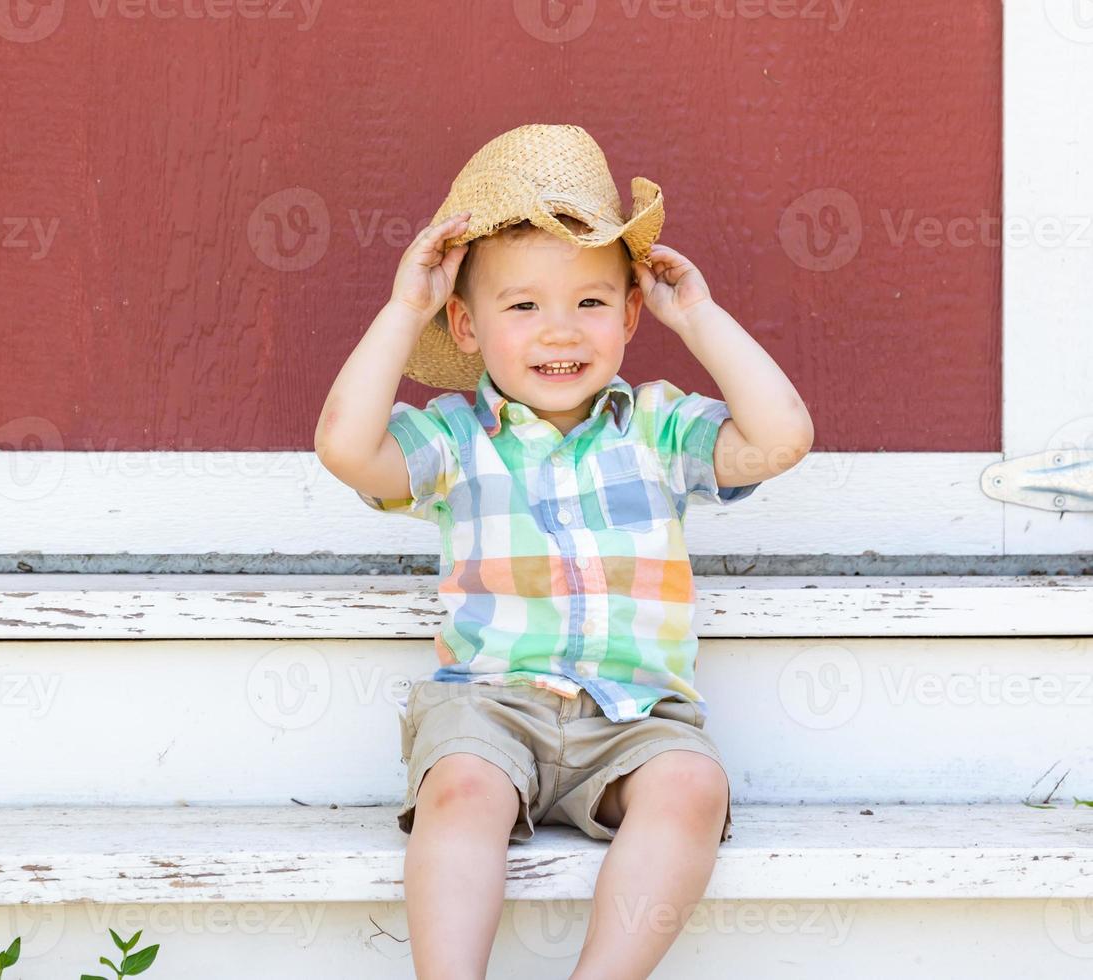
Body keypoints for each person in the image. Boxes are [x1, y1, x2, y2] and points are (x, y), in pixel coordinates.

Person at [314, 123, 814, 980]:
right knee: (460, 790)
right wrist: (405, 312)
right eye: (523, 306)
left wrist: (699, 317)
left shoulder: (657, 426)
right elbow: (346, 449)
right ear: (466, 328)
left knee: (692, 788)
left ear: (627, 315)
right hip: (491, 705)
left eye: (589, 303)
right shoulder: (456, 437)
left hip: (636, 715)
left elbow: (782, 438)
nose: (560, 332)